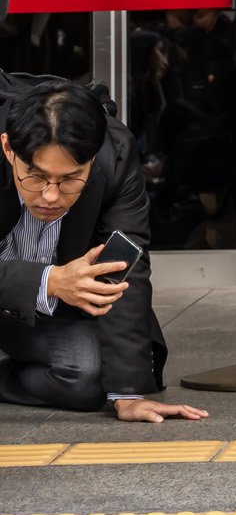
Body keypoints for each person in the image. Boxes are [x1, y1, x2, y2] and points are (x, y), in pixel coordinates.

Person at [0, 79, 203, 423]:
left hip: (52, 314)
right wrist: (48, 280)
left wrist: (128, 393)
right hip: (35, 288)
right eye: (35, 176)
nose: (50, 196)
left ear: (92, 160)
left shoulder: (116, 154)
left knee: (88, 377)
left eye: (68, 179)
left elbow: (123, 266)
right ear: (8, 149)